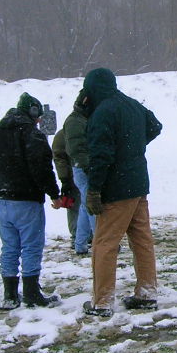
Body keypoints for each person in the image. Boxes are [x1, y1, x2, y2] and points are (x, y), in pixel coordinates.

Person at [80, 68, 163, 316]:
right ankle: (146, 293)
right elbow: (155, 126)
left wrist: (94, 189)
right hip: (138, 185)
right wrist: (132, 147)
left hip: (116, 189)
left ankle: (102, 302)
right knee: (142, 240)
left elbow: (100, 156)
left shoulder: (102, 113)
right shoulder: (132, 105)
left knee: (104, 244)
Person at [0, 92, 63, 309]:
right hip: (27, 200)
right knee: (31, 246)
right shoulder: (32, 134)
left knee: (9, 247)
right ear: (32, 112)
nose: (39, 119)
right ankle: (31, 292)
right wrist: (54, 194)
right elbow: (42, 168)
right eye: (38, 115)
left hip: (2, 200)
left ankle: (10, 295)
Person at [62, 89, 95, 256]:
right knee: (92, 206)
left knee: (85, 205)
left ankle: (80, 243)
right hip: (83, 168)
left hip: (81, 167)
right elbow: (77, 149)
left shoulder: (78, 119)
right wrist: (87, 166)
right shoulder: (75, 121)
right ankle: (99, 241)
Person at [51, 127, 81, 248]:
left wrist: (65, 179)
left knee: (74, 207)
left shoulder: (62, 134)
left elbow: (59, 159)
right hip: (79, 174)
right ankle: (82, 237)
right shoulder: (87, 128)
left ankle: (77, 237)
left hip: (72, 176)